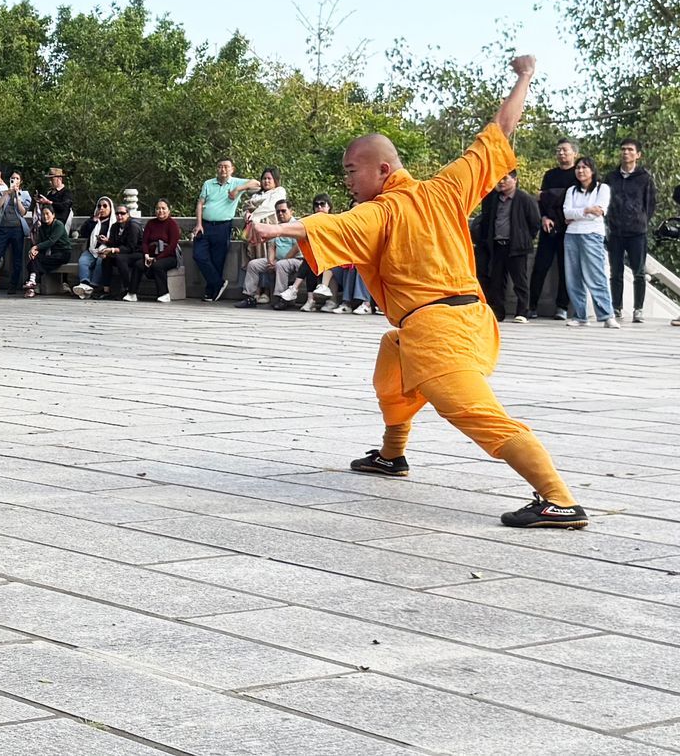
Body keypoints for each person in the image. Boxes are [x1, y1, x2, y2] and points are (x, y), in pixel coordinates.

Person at [249, 55, 587, 528]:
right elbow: (500, 131)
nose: (347, 180)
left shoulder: (382, 210)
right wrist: (525, 77)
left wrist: (272, 229)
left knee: (481, 417)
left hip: (438, 334)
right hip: (470, 322)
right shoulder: (447, 187)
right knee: (392, 357)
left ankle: (559, 500)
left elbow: (331, 225)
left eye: (351, 170)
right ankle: (392, 456)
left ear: (383, 169)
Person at [472, 171, 539, 324]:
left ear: (515, 180)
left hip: (516, 246)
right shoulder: (494, 198)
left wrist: (523, 238)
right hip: (497, 245)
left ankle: (522, 312)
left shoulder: (524, 199)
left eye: (505, 178)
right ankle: (498, 312)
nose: (501, 182)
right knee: (497, 281)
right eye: (499, 179)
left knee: (520, 281)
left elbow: (535, 222)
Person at [561, 156, 618, 329]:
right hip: (571, 235)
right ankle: (580, 316)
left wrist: (578, 213)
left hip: (592, 234)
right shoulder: (571, 190)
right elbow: (566, 213)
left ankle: (607, 315)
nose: (580, 171)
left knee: (595, 275)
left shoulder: (602, 188)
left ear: (592, 171)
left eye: (584, 168)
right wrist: (586, 210)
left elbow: (599, 211)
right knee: (573, 277)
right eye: (578, 168)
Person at [603, 140, 656, 325]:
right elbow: (605, 201)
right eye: (623, 149)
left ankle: (638, 309)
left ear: (638, 154)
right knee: (615, 272)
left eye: (630, 150)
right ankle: (616, 307)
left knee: (639, 272)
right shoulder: (611, 177)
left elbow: (650, 205)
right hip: (615, 231)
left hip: (637, 232)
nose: (626, 152)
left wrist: (640, 220)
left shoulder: (645, 178)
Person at [528, 139, 579, 321]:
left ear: (575, 153)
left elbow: (571, 198)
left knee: (566, 269)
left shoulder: (578, 174)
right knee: (540, 266)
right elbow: (540, 200)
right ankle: (531, 305)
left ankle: (562, 306)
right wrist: (544, 217)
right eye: (558, 150)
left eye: (565, 150)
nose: (561, 153)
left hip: (570, 228)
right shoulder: (550, 175)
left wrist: (550, 194)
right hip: (549, 227)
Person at [191, 159, 255, 301]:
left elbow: (257, 184)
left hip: (223, 226)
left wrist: (238, 189)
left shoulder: (236, 182)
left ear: (232, 169)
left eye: (226, 167)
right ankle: (218, 283)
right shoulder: (208, 183)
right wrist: (199, 224)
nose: (223, 169)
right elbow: (200, 203)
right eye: (220, 166)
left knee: (217, 260)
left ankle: (211, 291)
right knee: (198, 255)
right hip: (205, 225)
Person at [237, 199, 300, 308]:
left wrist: (280, 261)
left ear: (291, 211)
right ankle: (249, 297)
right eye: (278, 211)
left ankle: (281, 299)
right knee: (253, 264)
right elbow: (271, 245)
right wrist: (271, 261)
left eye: (283, 211)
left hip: (296, 260)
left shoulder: (296, 226)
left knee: (281, 265)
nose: (280, 214)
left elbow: (297, 248)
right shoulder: (277, 226)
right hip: (278, 260)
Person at [0, 171, 31, 291]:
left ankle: (14, 285)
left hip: (17, 228)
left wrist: (17, 197)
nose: (15, 180)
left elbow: (23, 212)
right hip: (3, 228)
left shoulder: (25, 194)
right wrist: (7, 193)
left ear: (21, 181)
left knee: (17, 258)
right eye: (12, 178)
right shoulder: (3, 192)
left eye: (17, 178)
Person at [23, 203, 73, 295]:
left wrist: (35, 247)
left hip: (63, 253)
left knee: (36, 261)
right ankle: (32, 283)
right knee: (34, 259)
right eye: (43, 214)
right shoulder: (42, 228)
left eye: (47, 214)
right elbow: (41, 243)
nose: (45, 216)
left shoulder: (58, 225)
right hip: (51, 254)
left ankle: (33, 283)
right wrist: (35, 251)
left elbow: (51, 241)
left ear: (53, 215)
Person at [137, 199, 181, 302]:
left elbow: (172, 245)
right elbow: (144, 242)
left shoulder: (172, 224)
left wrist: (157, 259)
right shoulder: (150, 223)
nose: (160, 211)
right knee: (138, 264)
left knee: (157, 266)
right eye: (158, 208)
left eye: (163, 208)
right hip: (151, 255)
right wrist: (146, 255)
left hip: (169, 257)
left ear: (168, 210)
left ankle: (164, 294)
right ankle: (132, 292)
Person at [71, 196, 115, 298]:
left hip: (106, 249)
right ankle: (84, 283)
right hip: (92, 249)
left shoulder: (113, 223)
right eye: (99, 206)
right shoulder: (92, 220)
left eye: (105, 206)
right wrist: (93, 220)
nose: (101, 208)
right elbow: (83, 233)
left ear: (110, 208)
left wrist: (107, 241)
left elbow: (117, 240)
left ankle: (93, 286)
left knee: (101, 261)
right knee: (83, 260)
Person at [101, 202, 145, 301]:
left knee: (120, 259)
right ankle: (106, 289)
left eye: (122, 213)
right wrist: (107, 243)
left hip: (137, 253)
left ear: (128, 214)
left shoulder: (133, 226)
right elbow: (114, 243)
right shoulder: (115, 226)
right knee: (106, 259)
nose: (119, 216)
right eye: (117, 213)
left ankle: (128, 289)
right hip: (124, 252)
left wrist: (113, 250)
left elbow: (131, 247)